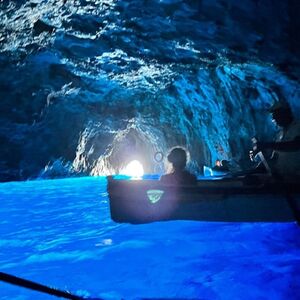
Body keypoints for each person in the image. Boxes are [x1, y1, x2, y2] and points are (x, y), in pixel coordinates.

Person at [251, 101, 300, 180]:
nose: (274, 118)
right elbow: (274, 158)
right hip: (283, 179)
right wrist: (261, 165)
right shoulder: (279, 135)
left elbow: (296, 145)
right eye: (273, 117)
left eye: (277, 114)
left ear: (286, 112)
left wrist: (267, 145)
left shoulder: (298, 127)